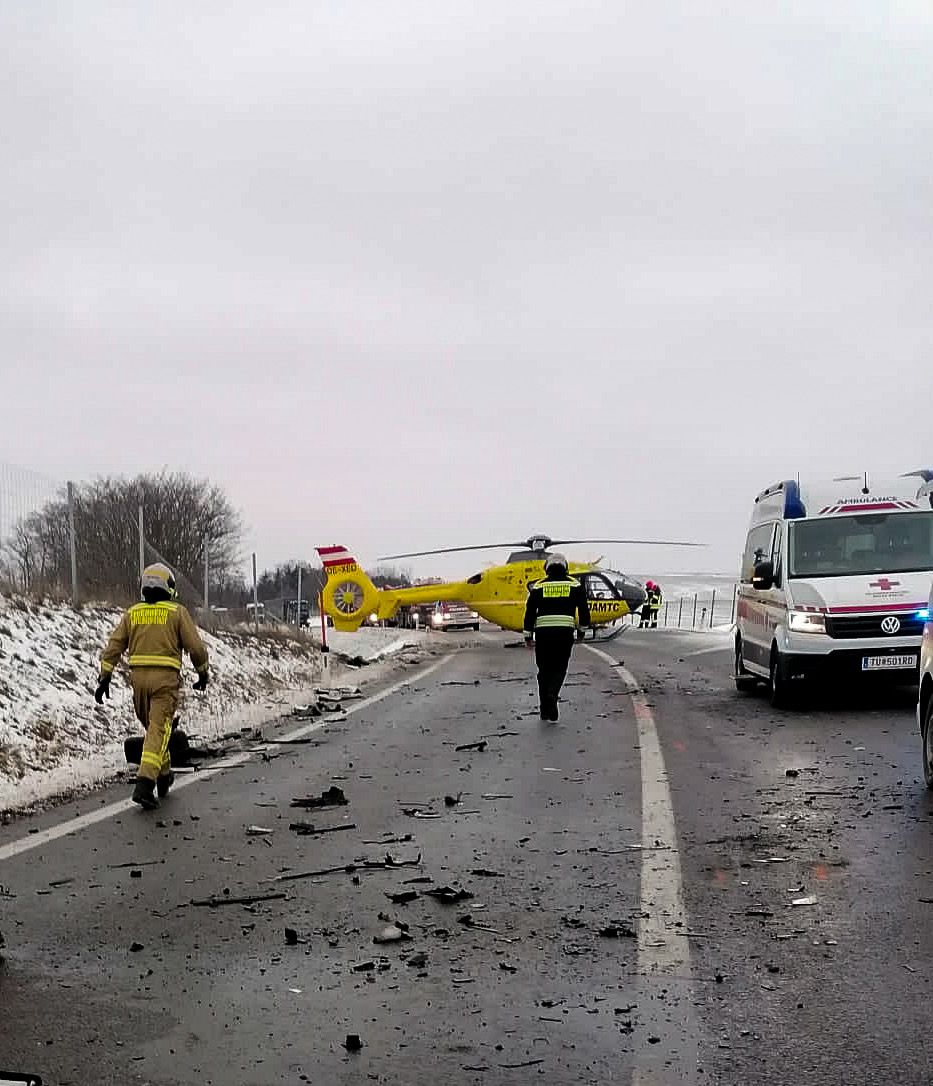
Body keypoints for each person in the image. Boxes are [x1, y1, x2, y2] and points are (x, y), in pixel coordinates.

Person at [94, 563, 209, 810]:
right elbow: (196, 648)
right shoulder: (176, 612)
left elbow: (113, 646)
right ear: (169, 587)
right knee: (158, 730)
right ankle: (145, 784)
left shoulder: (133, 613)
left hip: (138, 683)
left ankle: (164, 775)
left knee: (154, 732)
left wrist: (104, 677)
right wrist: (202, 672)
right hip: (164, 683)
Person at [523, 553, 591, 722]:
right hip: (564, 633)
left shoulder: (538, 587)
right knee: (559, 668)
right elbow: (584, 611)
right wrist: (581, 632)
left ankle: (544, 709)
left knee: (543, 671)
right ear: (565, 567)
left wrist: (527, 636)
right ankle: (553, 695)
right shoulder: (574, 585)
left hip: (544, 634)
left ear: (547, 568)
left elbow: (530, 612)